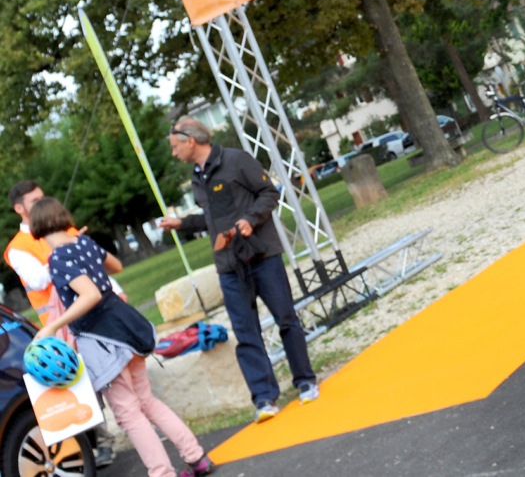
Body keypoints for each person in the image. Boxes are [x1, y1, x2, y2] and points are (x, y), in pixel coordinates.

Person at [30, 198, 213, 477]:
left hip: (100, 337)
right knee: (146, 401)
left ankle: (162, 473)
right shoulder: (84, 243)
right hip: (126, 326)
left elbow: (89, 295)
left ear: (37, 227)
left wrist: (53, 327)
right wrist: (88, 258)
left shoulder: (57, 258)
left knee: (129, 414)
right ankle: (196, 457)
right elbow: (116, 266)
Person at [156, 120, 318, 421]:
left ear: (191, 140)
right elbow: (212, 218)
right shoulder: (196, 177)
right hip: (229, 266)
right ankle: (264, 398)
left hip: (262, 255)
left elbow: (269, 193)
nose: (173, 152)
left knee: (285, 318)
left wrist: (251, 219)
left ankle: (305, 381)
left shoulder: (236, 159)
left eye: (175, 146)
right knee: (245, 332)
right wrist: (182, 224)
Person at [7, 181, 121, 468]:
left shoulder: (65, 231)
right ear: (19, 209)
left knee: (98, 379)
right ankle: (91, 443)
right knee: (74, 383)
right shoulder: (17, 248)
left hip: (93, 315)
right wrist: (63, 254)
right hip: (56, 327)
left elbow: (99, 272)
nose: (42, 203)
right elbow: (36, 280)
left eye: (42, 198)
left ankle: (102, 442)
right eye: (34, 200)